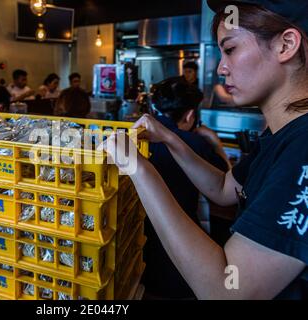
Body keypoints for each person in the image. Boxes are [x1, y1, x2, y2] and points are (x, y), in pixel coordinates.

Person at [102, 0, 308, 299]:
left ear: (285, 45)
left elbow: (225, 290)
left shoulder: (302, 146)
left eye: (231, 49)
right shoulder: (278, 135)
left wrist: (138, 168)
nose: (221, 67)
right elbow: (225, 188)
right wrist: (173, 140)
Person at [144, 77, 230, 299]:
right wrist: (216, 143)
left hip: (140, 244)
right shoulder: (196, 143)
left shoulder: (139, 138)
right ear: (191, 114)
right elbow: (227, 183)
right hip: (181, 247)